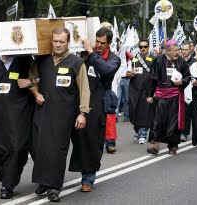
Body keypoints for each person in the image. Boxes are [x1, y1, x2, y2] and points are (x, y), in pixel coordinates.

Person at [31, 27, 90, 202]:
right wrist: (35, 91)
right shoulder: (42, 60)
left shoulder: (76, 63)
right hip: (42, 111)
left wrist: (83, 113)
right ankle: (44, 179)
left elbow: (84, 90)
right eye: (55, 41)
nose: (57, 45)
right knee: (39, 147)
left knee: (57, 150)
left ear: (68, 42)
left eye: (61, 42)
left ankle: (54, 186)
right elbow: (32, 79)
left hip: (64, 114)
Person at [69, 27, 120, 192]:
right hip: (77, 103)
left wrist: (91, 52)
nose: (98, 45)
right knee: (75, 140)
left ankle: (88, 178)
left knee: (92, 141)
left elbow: (105, 70)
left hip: (97, 105)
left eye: (102, 43)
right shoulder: (85, 56)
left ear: (109, 43)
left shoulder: (114, 59)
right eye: (96, 41)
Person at [0, 55, 34, 199]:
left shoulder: (26, 60)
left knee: (17, 149)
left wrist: (30, 82)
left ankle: (7, 185)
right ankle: (6, 178)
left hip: (19, 114)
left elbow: (39, 80)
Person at [146, 39, 191, 155]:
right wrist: (149, 95)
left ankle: (173, 145)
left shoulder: (182, 62)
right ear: (168, 51)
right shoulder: (158, 60)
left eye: (178, 50)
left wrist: (181, 81)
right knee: (158, 121)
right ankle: (154, 144)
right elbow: (152, 79)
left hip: (175, 96)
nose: (178, 52)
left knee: (173, 122)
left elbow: (188, 77)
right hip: (161, 96)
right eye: (175, 50)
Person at [126, 39, 155, 144]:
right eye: (141, 47)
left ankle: (143, 133)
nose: (143, 48)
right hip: (134, 90)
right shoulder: (133, 59)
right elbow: (127, 74)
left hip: (147, 90)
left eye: (145, 46)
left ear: (148, 47)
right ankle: (137, 131)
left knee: (145, 112)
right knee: (134, 112)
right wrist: (131, 74)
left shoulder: (153, 59)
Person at [180, 42, 197, 142]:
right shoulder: (178, 61)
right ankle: (182, 132)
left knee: (191, 113)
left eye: (186, 49)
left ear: (190, 49)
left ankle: (191, 134)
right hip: (181, 89)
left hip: (192, 90)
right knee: (182, 112)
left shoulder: (195, 62)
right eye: (182, 49)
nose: (184, 51)